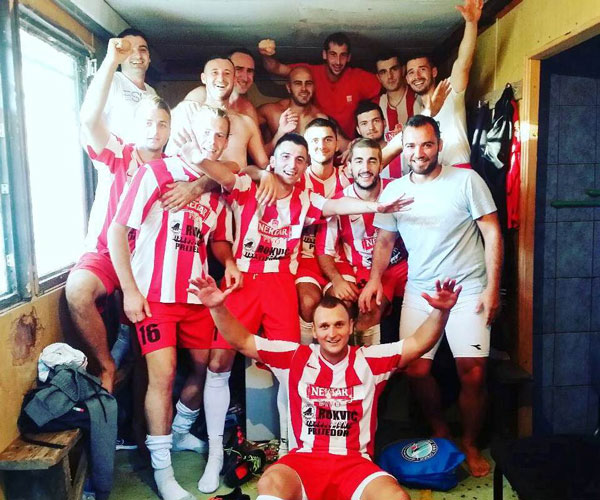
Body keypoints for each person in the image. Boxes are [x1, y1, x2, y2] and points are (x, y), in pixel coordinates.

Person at [178, 131, 413, 492]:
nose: (293, 164)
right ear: (273, 160)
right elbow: (225, 175)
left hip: (279, 284)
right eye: (286, 157)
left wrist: (377, 207)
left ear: (306, 166)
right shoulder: (252, 184)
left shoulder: (305, 198)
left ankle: (291, 449)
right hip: (244, 280)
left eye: (300, 159)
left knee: (293, 367)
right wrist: (198, 157)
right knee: (218, 363)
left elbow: (336, 206)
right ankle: (215, 455)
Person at [188, 275, 462, 500]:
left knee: (396, 497)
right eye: (325, 326)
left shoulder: (371, 360)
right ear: (315, 331)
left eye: (339, 324)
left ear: (351, 326)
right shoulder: (293, 357)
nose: (332, 333)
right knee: (270, 483)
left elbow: (417, 343)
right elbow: (243, 341)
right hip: (304, 462)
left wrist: (441, 312)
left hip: (354, 464)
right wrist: (217, 308)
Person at [107, 105, 239, 500]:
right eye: (206, 133)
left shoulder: (215, 189)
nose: (212, 141)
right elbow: (117, 232)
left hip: (197, 298)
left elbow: (218, 235)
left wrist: (230, 262)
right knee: (162, 377)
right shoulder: (154, 172)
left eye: (220, 135)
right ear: (189, 133)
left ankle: (180, 432)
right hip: (155, 298)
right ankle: (164, 474)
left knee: (205, 372)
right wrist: (131, 291)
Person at [359, 115, 503, 477]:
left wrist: (492, 288)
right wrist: (375, 280)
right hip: (421, 290)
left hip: (468, 288)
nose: (419, 152)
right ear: (403, 149)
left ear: (439, 145)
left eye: (426, 144)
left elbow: (492, 233)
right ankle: (440, 431)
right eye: (410, 146)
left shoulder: (466, 181)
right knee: (415, 368)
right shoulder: (393, 191)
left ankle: (469, 443)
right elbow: (385, 241)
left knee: (473, 372)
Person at [66, 37, 175, 392]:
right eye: (148, 122)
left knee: (149, 361)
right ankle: (105, 364)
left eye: (162, 124)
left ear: (170, 130)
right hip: (106, 252)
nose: (154, 130)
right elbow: (88, 119)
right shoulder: (120, 153)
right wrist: (111, 60)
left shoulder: (175, 169)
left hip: (148, 263)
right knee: (78, 291)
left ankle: (139, 419)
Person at [317, 138, 408, 346]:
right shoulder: (339, 202)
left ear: (381, 165)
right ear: (349, 167)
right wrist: (337, 280)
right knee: (368, 309)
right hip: (366, 269)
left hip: (404, 265)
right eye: (359, 161)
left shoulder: (398, 190)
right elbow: (323, 250)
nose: (365, 168)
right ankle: (364, 364)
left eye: (372, 161)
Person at [258, 33, 380, 139]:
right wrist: (266, 54)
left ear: (349, 57)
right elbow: (275, 68)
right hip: (320, 142)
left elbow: (385, 85)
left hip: (346, 145)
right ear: (324, 54)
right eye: (333, 54)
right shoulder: (310, 73)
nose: (338, 61)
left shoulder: (358, 77)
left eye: (343, 55)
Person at [405, 0, 482, 168]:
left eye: (422, 69)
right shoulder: (418, 111)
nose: (417, 76)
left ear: (434, 72)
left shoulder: (450, 91)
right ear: (407, 80)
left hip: (458, 169)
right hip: (433, 174)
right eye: (411, 72)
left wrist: (471, 23)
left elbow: (463, 62)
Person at [296, 118, 352, 344]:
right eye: (315, 140)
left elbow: (378, 159)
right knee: (308, 302)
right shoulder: (296, 178)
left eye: (328, 139)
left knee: (345, 303)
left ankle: (345, 361)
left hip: (339, 257)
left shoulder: (347, 177)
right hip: (304, 257)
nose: (322, 145)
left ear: (337, 144)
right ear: (306, 146)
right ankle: (307, 357)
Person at [167, 55, 269, 170]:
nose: (221, 79)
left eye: (227, 73)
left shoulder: (246, 123)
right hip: (192, 180)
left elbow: (264, 165)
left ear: (234, 79)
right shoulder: (188, 112)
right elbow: (170, 160)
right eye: (215, 73)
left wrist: (262, 174)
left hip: (237, 181)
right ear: (204, 78)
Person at [103, 28, 158, 143]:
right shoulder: (112, 81)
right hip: (118, 154)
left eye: (142, 50)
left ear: (149, 58)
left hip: (145, 154)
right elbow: (91, 124)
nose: (138, 55)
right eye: (130, 50)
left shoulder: (152, 92)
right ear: (120, 56)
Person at [258, 66, 328, 154]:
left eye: (308, 83)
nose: (304, 88)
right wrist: (279, 134)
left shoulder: (320, 118)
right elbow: (247, 144)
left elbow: (340, 143)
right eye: (298, 83)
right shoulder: (271, 111)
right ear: (288, 87)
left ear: (314, 87)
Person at [183, 48, 259, 123]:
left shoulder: (247, 108)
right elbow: (180, 127)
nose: (245, 78)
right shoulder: (201, 95)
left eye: (249, 71)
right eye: (238, 69)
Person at [375, 52, 419, 135]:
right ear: (378, 77)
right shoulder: (375, 105)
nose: (390, 76)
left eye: (394, 69)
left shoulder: (419, 98)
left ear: (403, 70)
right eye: (383, 72)